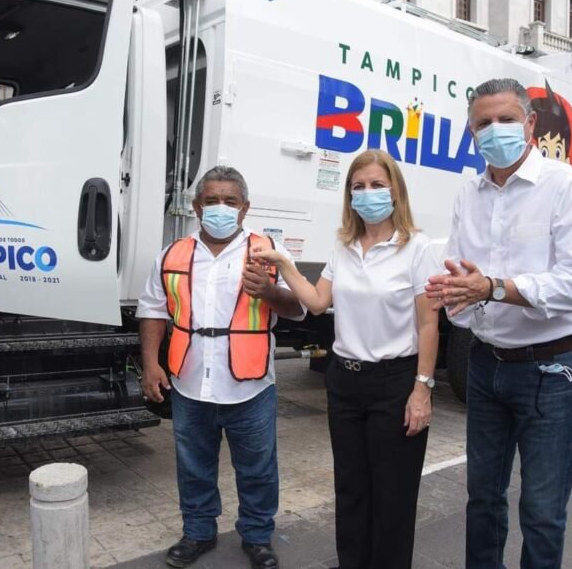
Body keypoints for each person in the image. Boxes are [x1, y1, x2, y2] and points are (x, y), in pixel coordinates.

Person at [425, 78, 572, 569]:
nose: (495, 130)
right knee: (482, 500)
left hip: (553, 369)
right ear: (471, 132)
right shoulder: (470, 194)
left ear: (529, 123)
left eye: (506, 119)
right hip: (486, 367)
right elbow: (460, 272)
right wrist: (451, 293)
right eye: (483, 123)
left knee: (543, 511)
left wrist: (493, 287)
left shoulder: (567, 186)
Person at [252, 150, 440, 569]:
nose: (368, 193)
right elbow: (318, 303)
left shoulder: (417, 248)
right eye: (359, 186)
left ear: (395, 191)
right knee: (351, 489)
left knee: (392, 495)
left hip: (395, 383)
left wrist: (422, 390)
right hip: (346, 382)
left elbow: (429, 325)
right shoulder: (344, 246)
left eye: (377, 185)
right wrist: (285, 265)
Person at [136, 166, 305, 569]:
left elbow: (299, 308)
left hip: (250, 386)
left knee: (258, 469)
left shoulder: (267, 253)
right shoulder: (173, 253)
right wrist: (149, 365)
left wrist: (270, 291)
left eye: (230, 201)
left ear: (244, 209)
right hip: (190, 382)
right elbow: (152, 310)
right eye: (212, 200)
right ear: (196, 207)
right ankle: (197, 532)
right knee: (193, 466)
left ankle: (258, 536)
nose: (220, 208)